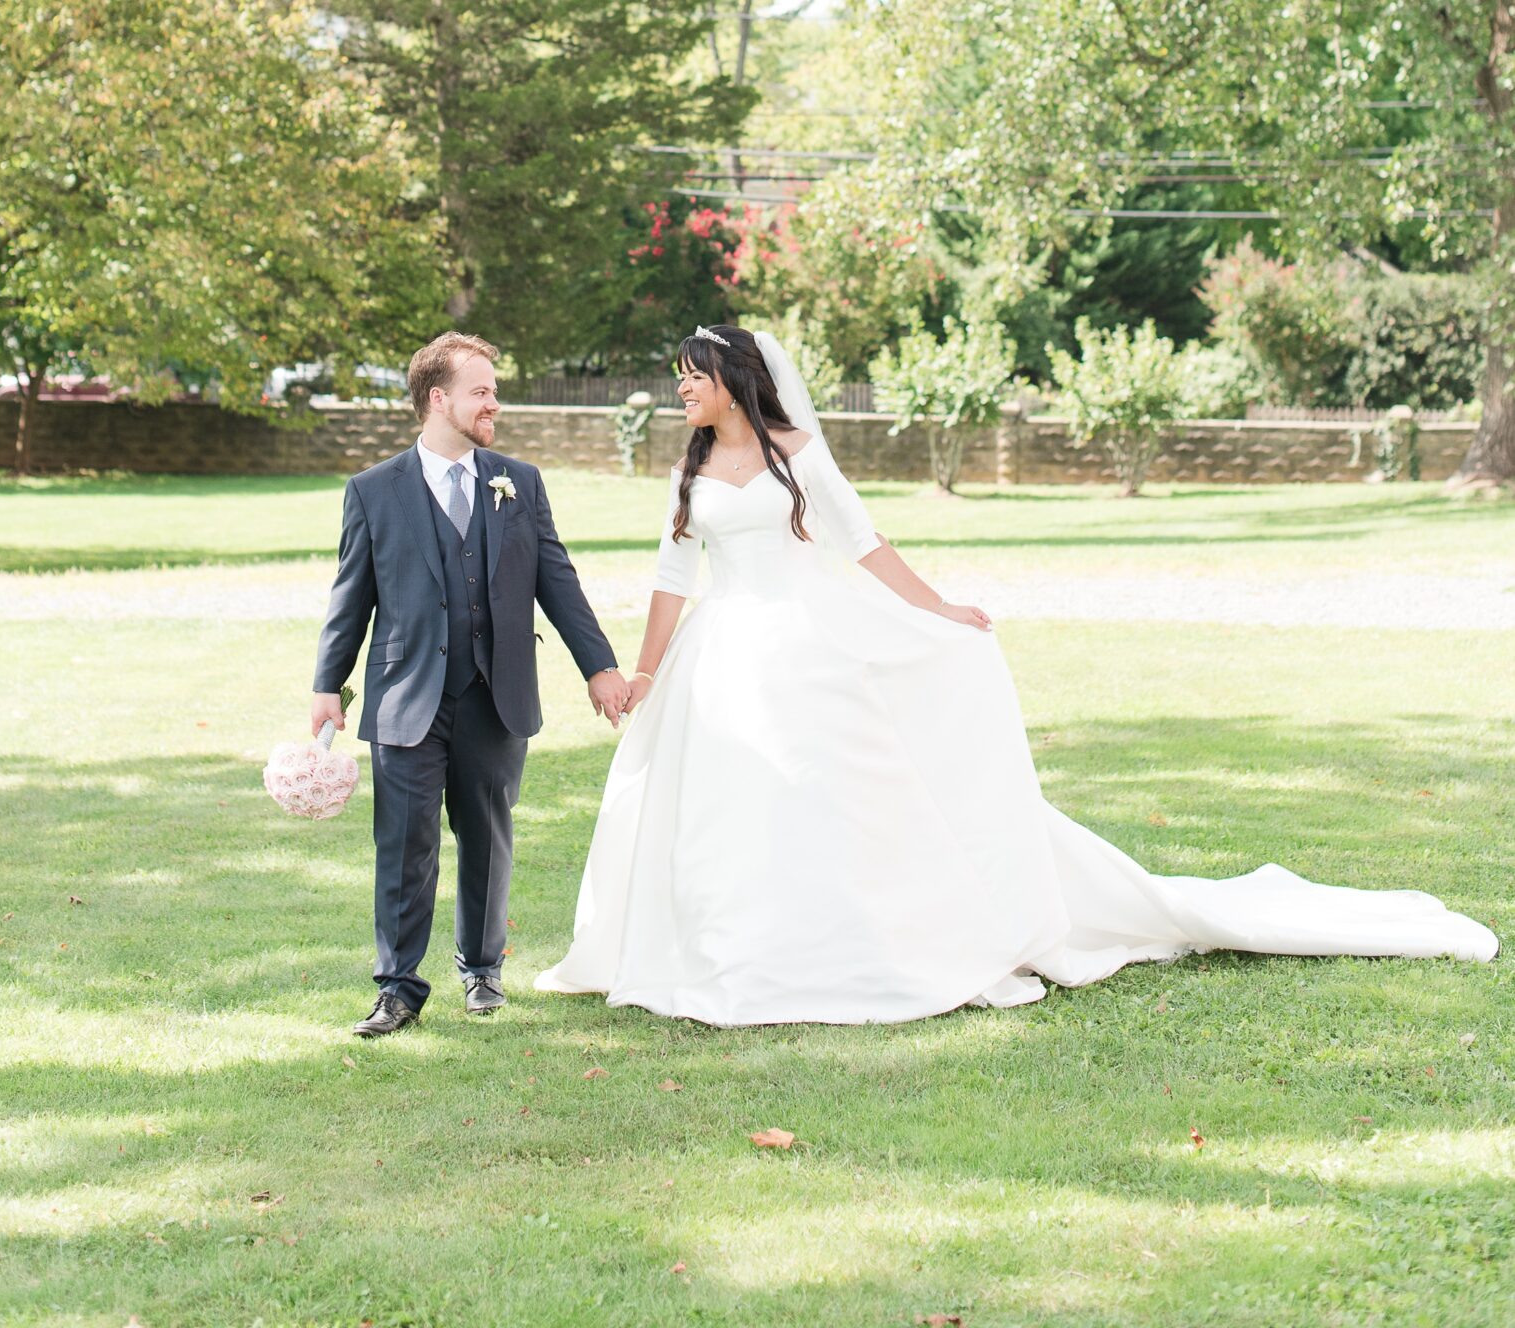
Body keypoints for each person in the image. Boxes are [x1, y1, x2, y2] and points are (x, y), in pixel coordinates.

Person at [537, 323, 1497, 1025]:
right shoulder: (687, 467)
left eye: (691, 379)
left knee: (838, 794)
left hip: (805, 644)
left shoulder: (797, 454)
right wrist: (644, 672)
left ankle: (865, 942)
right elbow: (673, 577)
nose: (680, 392)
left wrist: (942, 610)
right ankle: (727, 949)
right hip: (721, 653)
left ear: (732, 381)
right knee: (723, 807)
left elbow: (866, 547)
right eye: (679, 382)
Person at [312, 332, 626, 1036]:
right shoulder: (372, 490)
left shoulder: (520, 482)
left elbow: (557, 580)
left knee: (487, 833)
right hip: (405, 695)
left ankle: (482, 972)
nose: (494, 403)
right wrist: (327, 682)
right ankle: (396, 987)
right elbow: (350, 594)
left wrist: (598, 666)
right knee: (404, 842)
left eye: (493, 390)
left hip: (497, 691)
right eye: (480, 391)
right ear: (438, 398)